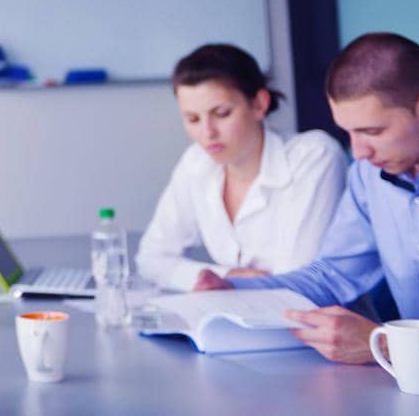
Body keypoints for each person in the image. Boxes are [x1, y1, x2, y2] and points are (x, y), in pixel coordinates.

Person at [194, 33, 419, 365]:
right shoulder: (368, 176)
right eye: (348, 132)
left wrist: (382, 346)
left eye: (373, 132)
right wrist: (235, 290)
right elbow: (332, 274)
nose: (358, 152)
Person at [137, 44, 346, 291]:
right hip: (240, 318)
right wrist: (228, 275)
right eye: (193, 119)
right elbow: (151, 259)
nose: (207, 133)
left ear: (259, 104)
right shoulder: (196, 162)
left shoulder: (314, 156)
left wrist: (225, 283)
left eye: (222, 113)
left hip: (312, 321)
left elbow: (297, 280)